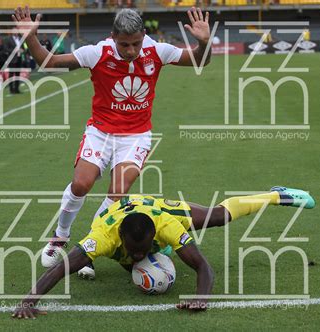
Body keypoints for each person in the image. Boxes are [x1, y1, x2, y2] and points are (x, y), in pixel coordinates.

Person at [12, 6, 212, 279]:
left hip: (136, 136)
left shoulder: (157, 51)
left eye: (136, 43)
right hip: (101, 132)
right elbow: (49, 62)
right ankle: (60, 238)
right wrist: (30, 38)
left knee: (117, 192)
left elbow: (200, 60)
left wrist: (203, 42)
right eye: (124, 44)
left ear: (144, 35)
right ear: (112, 37)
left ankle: (88, 250)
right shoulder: (97, 53)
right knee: (81, 184)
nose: (131, 50)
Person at [11, 186, 316, 318]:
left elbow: (203, 267)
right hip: (119, 214)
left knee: (218, 216)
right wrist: (28, 301)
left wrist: (201, 298)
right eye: (135, 251)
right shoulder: (101, 238)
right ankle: (136, 258)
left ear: (155, 238)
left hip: (154, 208)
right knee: (131, 267)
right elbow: (61, 267)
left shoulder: (165, 225)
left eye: (146, 250)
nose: (140, 254)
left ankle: (278, 195)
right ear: (121, 241)